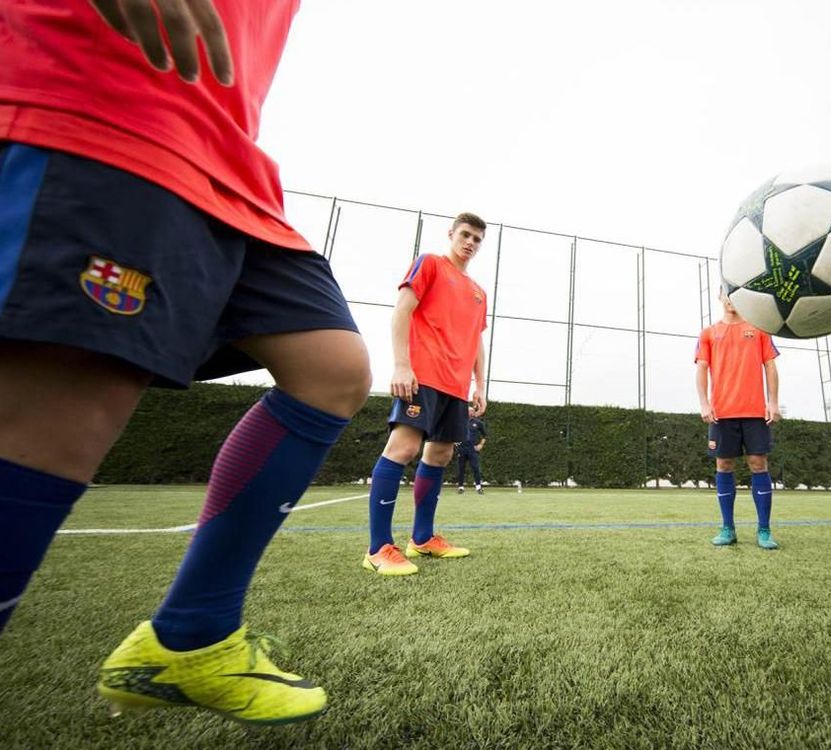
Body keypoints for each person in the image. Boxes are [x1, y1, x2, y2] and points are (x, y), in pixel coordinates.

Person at [0, 0, 371, 725]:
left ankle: (191, 636)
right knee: (68, 398)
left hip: (223, 159)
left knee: (331, 370)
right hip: (102, 101)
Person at [362, 213, 489, 576]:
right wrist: (402, 365)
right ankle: (377, 548)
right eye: (465, 235)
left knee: (441, 455)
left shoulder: (479, 292)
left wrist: (481, 385)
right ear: (451, 234)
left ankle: (421, 539)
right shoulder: (430, 264)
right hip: (424, 376)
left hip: (456, 386)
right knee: (403, 449)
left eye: (477, 239)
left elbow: (477, 341)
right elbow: (402, 309)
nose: (470, 243)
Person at [694, 288, 782, 549]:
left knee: (758, 463)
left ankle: (764, 530)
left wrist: (773, 402)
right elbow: (701, 368)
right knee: (723, 466)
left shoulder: (759, 329)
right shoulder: (708, 333)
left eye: (735, 292)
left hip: (755, 412)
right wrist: (704, 403)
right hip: (721, 413)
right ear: (720, 297)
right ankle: (727, 528)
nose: (731, 299)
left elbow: (770, 366)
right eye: (727, 294)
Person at [456, 411, 489, 494]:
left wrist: (480, 445)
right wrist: (456, 443)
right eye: (469, 411)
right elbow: (453, 432)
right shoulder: (460, 422)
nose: (470, 412)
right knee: (461, 468)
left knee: (475, 468)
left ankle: (478, 487)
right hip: (462, 449)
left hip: (472, 449)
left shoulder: (478, 423)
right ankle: (461, 487)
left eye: (472, 411)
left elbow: (485, 435)